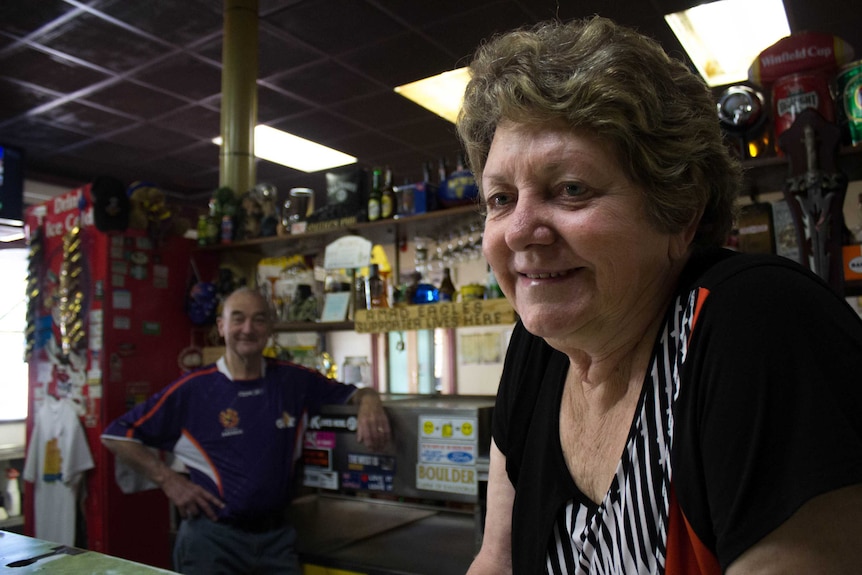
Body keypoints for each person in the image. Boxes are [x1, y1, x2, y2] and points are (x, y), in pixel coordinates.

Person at [456, 16, 862, 575]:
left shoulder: (757, 327)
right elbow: (496, 560)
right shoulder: (534, 349)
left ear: (680, 213)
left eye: (570, 189)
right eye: (501, 199)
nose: (521, 229)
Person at [101, 287, 390, 574]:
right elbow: (116, 434)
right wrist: (169, 481)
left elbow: (355, 393)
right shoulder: (193, 389)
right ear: (222, 326)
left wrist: (371, 401)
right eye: (238, 318)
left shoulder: (294, 381)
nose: (248, 329)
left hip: (277, 541)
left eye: (259, 319)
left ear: (270, 329)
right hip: (212, 541)